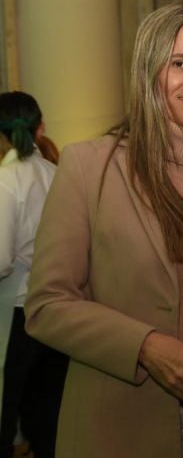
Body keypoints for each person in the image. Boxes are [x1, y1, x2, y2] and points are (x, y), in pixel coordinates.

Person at [24, 2, 183, 458]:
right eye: (179, 63)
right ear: (149, 71)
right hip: (121, 420)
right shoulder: (91, 167)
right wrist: (145, 347)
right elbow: (47, 304)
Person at [0, 92, 67, 458]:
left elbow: (0, 260)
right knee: (48, 409)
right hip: (55, 306)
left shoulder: (7, 179)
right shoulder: (54, 172)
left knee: (8, 405)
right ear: (41, 126)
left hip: (15, 311)